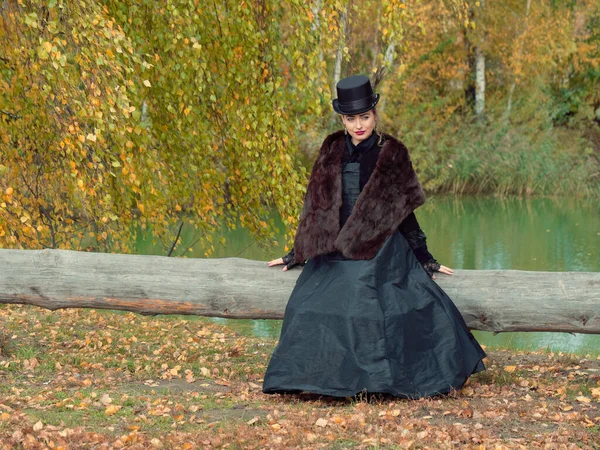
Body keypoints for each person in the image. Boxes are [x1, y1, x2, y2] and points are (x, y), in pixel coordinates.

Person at [262, 75, 486, 399]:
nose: (358, 125)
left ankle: (373, 381)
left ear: (374, 114)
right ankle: (321, 379)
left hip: (379, 244)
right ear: (342, 119)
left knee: (369, 300)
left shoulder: (391, 152)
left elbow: (404, 209)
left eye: (364, 116)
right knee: (306, 302)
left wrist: (424, 256)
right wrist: (297, 252)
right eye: (351, 119)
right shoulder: (331, 148)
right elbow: (317, 205)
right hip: (335, 246)